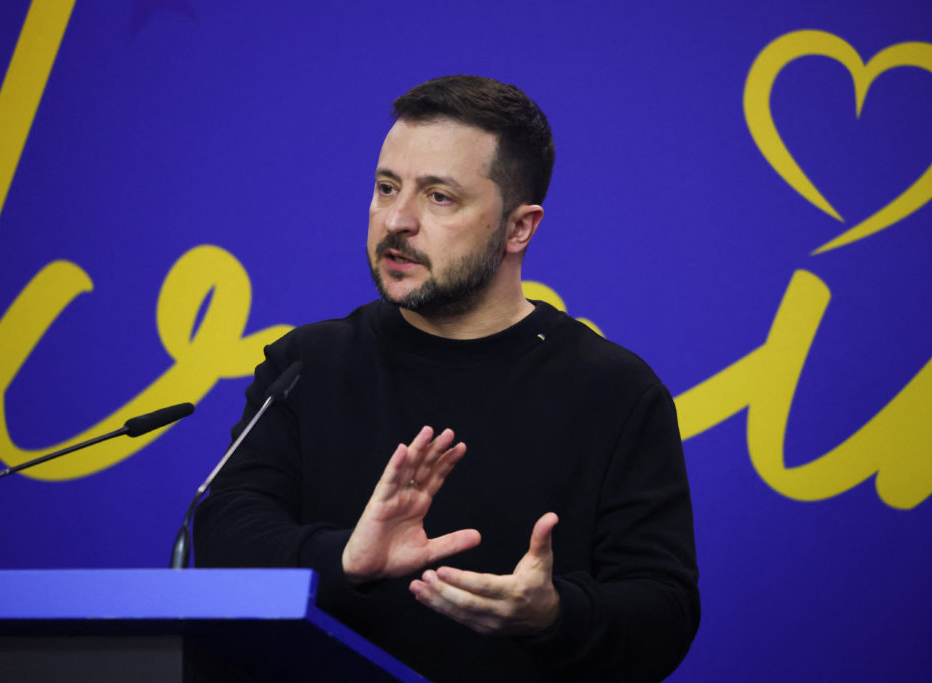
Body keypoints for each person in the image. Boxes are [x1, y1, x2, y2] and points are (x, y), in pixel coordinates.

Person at [194, 75, 699, 682]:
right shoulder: (306, 365)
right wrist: (346, 557)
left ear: (520, 228)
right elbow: (223, 533)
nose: (397, 220)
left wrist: (553, 613)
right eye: (386, 188)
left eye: (439, 197)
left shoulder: (614, 391)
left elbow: (665, 611)